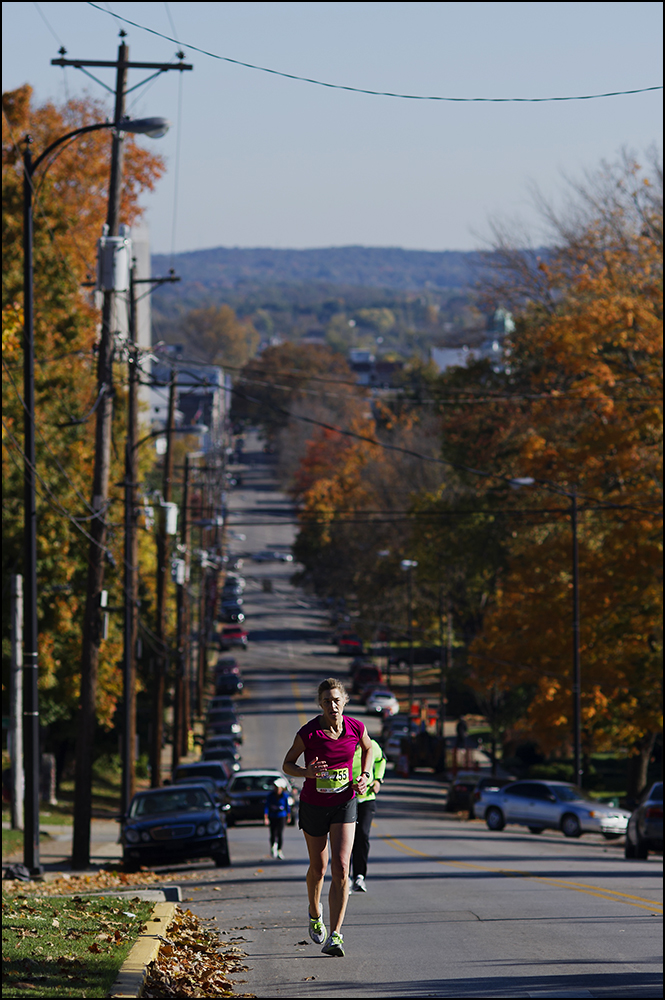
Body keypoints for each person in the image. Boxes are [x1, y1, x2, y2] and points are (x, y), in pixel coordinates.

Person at [283, 677, 373, 957]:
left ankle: (335, 935)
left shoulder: (356, 728)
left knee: (342, 869)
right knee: (319, 868)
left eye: (336, 700)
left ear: (344, 700)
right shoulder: (309, 733)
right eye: (326, 701)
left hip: (345, 802)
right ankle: (314, 912)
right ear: (320, 705)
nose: (332, 705)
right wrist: (306, 773)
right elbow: (287, 764)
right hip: (313, 805)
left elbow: (369, 749)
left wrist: (366, 776)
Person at [350, 737, 386, 892]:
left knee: (362, 835)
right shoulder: (345, 748)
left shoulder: (372, 746)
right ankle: (346, 877)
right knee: (347, 839)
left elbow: (381, 759)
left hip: (367, 799)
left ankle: (359, 876)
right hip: (347, 800)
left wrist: (378, 779)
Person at [264, 778, 291, 859]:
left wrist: (288, 817)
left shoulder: (285, 796)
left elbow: (287, 807)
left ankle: (279, 850)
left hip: (281, 816)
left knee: (280, 833)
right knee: (273, 833)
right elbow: (266, 807)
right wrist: (266, 817)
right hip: (272, 816)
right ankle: (273, 846)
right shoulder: (270, 796)